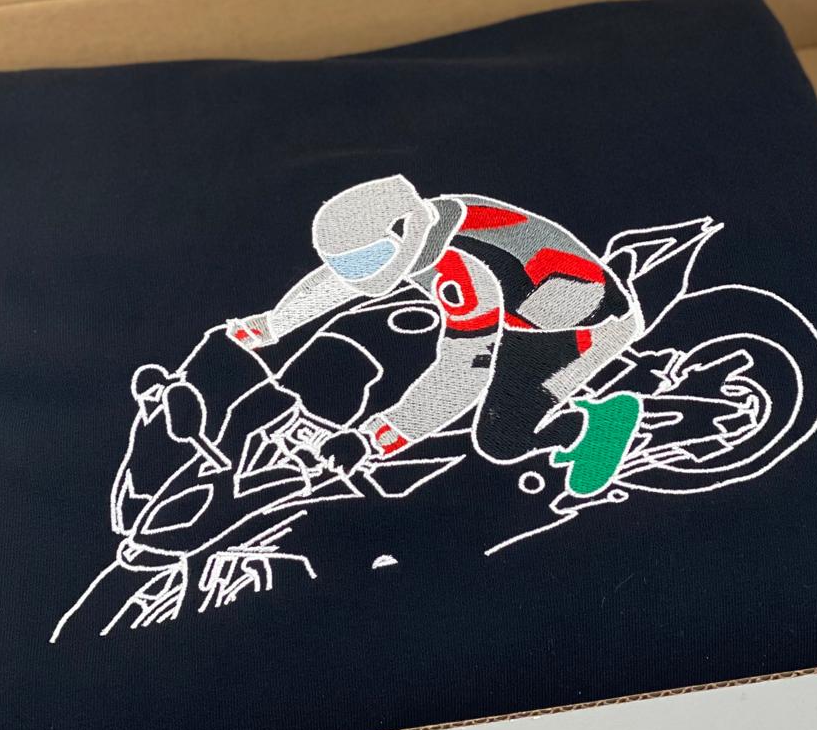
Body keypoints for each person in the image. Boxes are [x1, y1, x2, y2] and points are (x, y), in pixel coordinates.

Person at [227, 175, 644, 497]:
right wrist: (274, 324)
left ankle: (598, 420)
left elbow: (463, 372)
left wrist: (373, 439)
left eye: (369, 259)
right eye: (350, 263)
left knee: (501, 439)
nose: (362, 275)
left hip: (585, 327)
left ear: (404, 233)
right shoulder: (427, 226)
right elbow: (340, 282)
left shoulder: (460, 268)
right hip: (535, 307)